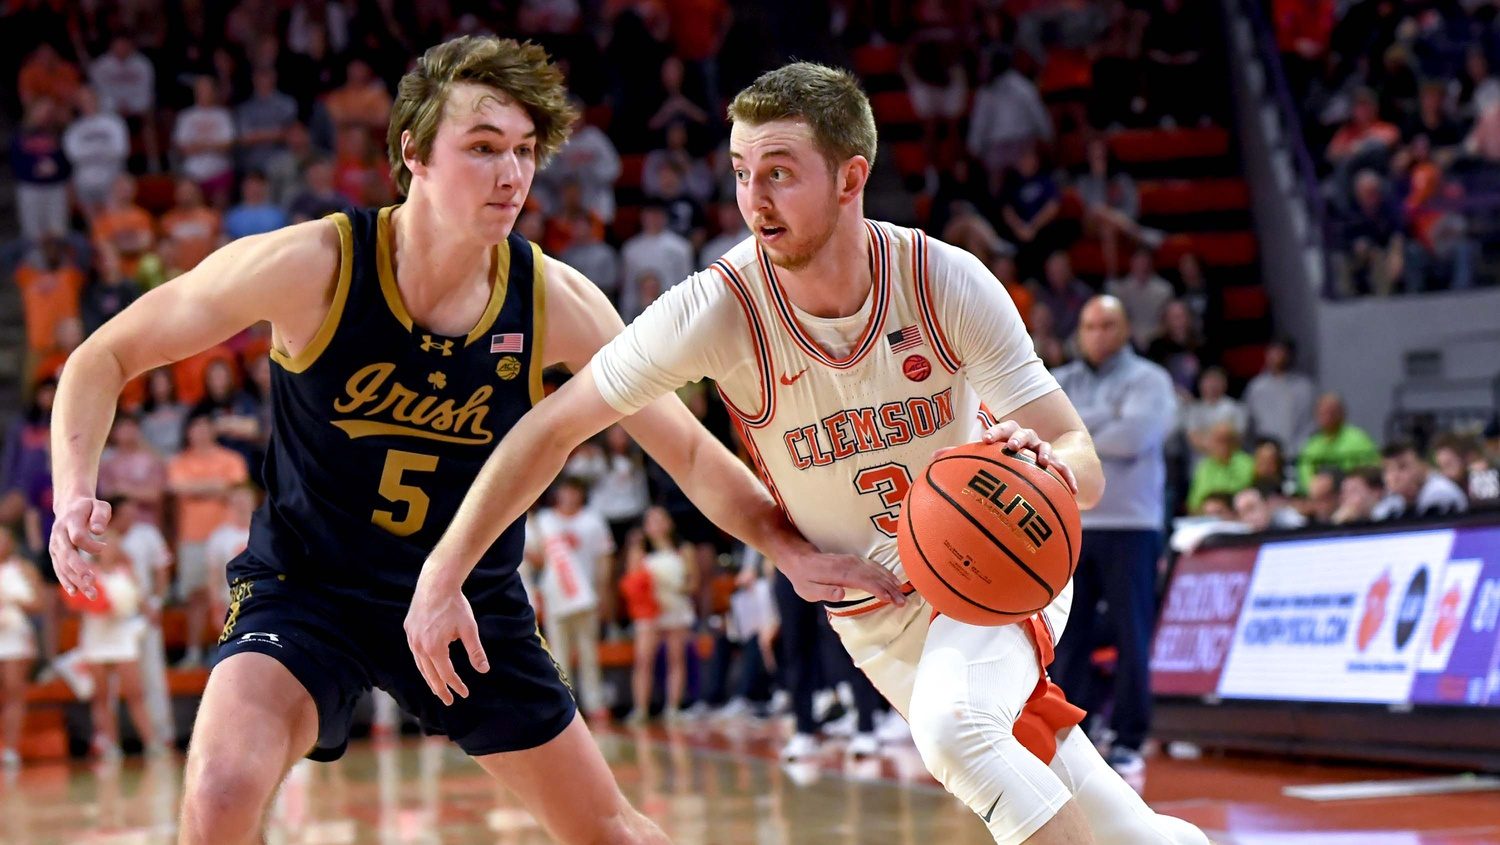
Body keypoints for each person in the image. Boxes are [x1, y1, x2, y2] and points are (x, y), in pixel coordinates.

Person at [48, 37, 892, 845]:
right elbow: (104, 353)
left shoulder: (555, 302)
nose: (512, 175)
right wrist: (73, 487)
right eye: (484, 147)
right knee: (222, 789)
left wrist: (786, 546)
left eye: (525, 151)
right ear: (414, 151)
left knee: (612, 831)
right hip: (307, 591)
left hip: (467, 604)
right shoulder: (315, 266)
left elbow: (689, 451)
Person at [413, 62, 1209, 845]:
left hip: (997, 557)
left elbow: (1083, 458)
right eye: (740, 172)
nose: (753, 199)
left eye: (780, 173)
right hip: (875, 615)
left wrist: (1049, 464)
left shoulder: (944, 282)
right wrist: (444, 571)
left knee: (956, 727)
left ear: (849, 176)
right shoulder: (717, 308)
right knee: (1114, 822)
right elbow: (553, 425)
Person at [1051, 297, 1177, 780]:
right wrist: (1105, 423)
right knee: (1067, 637)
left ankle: (1128, 739)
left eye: (1107, 325)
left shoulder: (1150, 379)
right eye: (1089, 326)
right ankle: (1073, 739)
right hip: (1072, 526)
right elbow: (1037, 431)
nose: (1098, 334)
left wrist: (1075, 433)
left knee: (1132, 636)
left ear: (1125, 330)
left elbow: (1137, 438)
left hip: (1132, 526)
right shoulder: (1061, 379)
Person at [524, 477, 613, 722]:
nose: (569, 496)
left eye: (574, 491)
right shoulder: (545, 520)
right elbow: (539, 559)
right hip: (556, 596)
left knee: (589, 653)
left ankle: (595, 705)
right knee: (559, 654)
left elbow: (603, 558)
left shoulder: (593, 519)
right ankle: (568, 706)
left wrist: (604, 592)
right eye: (564, 491)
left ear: (581, 494)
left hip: (587, 596)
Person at [622, 507, 697, 724]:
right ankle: (640, 709)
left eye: (660, 519)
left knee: (676, 658)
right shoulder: (639, 551)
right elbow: (631, 582)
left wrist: (675, 588)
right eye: (651, 521)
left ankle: (673, 707)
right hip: (649, 611)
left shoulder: (684, 549)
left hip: (676, 607)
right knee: (643, 659)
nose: (656, 525)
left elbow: (693, 582)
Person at [0, 527, 42, 770]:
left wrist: (12, 600)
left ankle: (11, 749)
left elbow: (38, 604)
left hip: (15, 637)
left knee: (14, 692)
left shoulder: (24, 569)